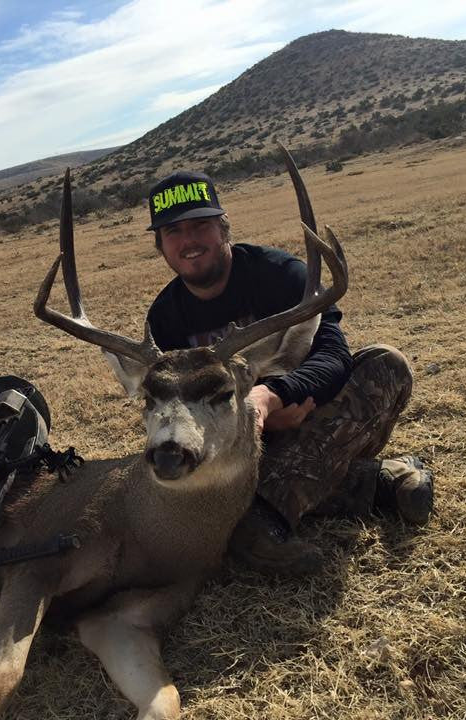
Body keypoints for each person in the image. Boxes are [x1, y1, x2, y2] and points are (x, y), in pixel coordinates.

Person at [145, 170, 434, 576]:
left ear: (223, 228)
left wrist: (271, 397)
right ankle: (379, 482)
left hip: (312, 417)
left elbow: (332, 353)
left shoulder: (282, 275)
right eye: (173, 231)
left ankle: (261, 521)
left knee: (385, 365)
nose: (188, 241)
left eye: (201, 225)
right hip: (237, 446)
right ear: (160, 245)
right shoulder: (165, 318)